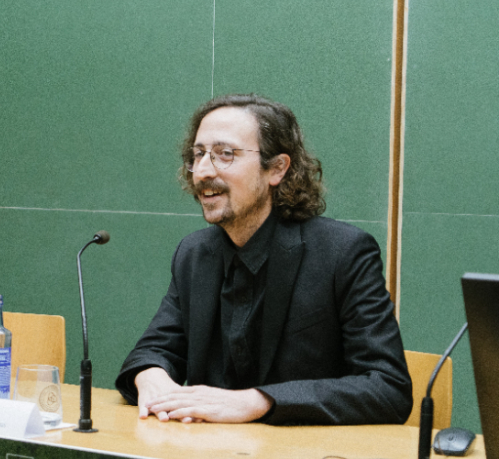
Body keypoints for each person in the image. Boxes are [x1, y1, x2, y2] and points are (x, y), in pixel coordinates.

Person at [116, 94, 412, 425]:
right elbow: (154, 350)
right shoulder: (195, 254)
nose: (201, 172)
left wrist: (259, 402)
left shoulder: (343, 253)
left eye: (224, 155)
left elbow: (388, 388)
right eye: (197, 155)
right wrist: (151, 376)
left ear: (276, 168)